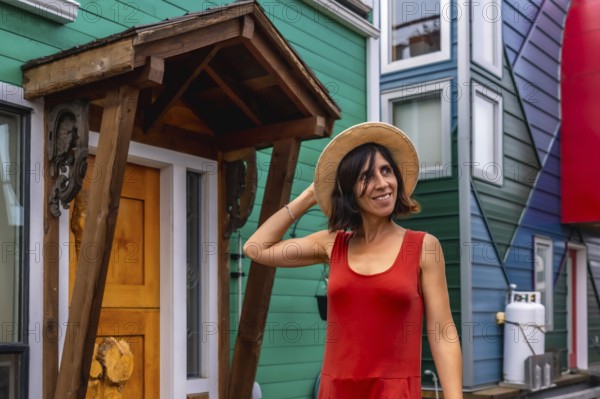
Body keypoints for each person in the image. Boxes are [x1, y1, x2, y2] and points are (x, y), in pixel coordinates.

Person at [243, 122, 463, 399]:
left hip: (394, 393)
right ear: (348, 190)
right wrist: (309, 196)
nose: (382, 184)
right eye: (366, 177)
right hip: (337, 391)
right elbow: (256, 248)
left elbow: (443, 332)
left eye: (386, 171)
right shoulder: (333, 243)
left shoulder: (423, 247)